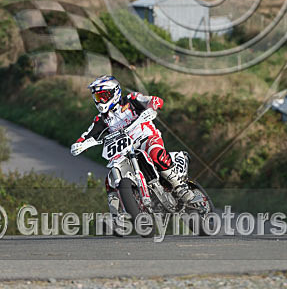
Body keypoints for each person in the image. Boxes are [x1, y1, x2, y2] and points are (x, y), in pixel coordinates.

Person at [71, 75, 196, 217]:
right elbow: (88, 134)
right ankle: (117, 215)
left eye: (104, 96)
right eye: (98, 97)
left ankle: (180, 187)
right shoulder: (101, 119)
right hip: (125, 149)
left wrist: (153, 104)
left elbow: (148, 100)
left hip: (146, 137)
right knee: (110, 179)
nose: (101, 101)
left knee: (155, 153)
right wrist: (79, 144)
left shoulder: (131, 100)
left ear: (115, 92)